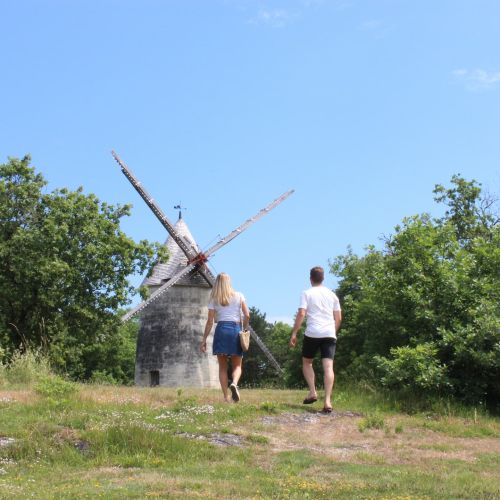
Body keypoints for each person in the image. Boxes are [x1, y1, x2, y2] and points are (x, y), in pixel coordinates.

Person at [289, 266, 342, 413]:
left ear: (310, 278)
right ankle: (327, 401)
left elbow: (301, 313)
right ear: (323, 278)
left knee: (307, 362)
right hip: (329, 333)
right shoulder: (333, 295)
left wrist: (294, 333)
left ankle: (312, 392)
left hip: (312, 333)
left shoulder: (306, 293)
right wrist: (333, 331)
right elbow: (338, 318)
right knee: (328, 367)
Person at [200, 272, 250, 403]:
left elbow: (210, 321)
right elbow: (247, 315)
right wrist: (244, 328)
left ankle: (226, 397)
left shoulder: (214, 299)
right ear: (229, 282)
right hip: (235, 329)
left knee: (222, 367)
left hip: (221, 329)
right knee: (237, 365)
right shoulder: (239, 295)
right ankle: (234, 383)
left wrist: (204, 339)